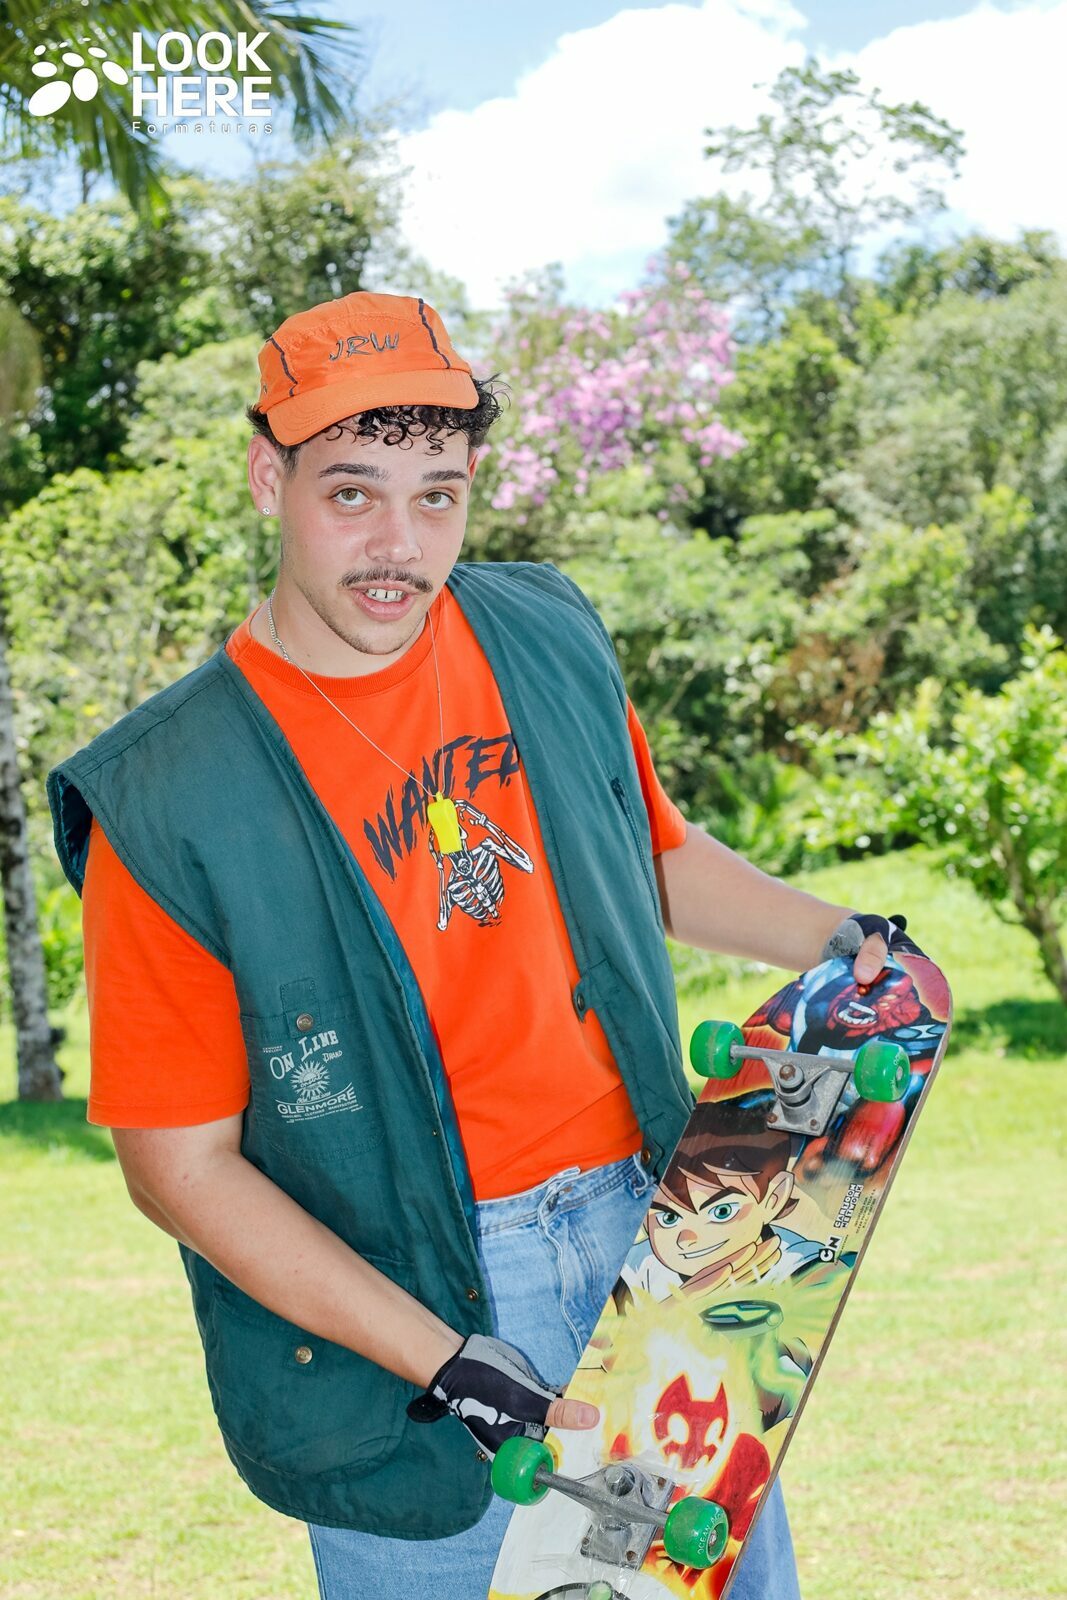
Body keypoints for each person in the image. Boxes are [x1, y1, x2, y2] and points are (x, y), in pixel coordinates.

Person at [47, 290, 907, 1600]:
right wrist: (443, 1356)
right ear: (268, 477)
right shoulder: (169, 796)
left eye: (437, 495)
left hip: (656, 1228)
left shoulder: (543, 634)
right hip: (407, 1289)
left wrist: (843, 939)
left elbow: (651, 860)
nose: (399, 545)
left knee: (700, 1579)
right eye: (351, 494)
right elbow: (180, 1170)